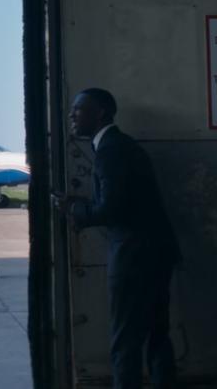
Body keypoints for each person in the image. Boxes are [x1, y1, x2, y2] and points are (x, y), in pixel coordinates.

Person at [55, 88, 182, 389]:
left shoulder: (110, 150)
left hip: (133, 255)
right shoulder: (120, 146)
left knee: (124, 339)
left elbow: (112, 209)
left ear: (100, 113)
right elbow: (123, 199)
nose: (72, 115)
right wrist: (84, 202)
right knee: (156, 335)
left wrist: (75, 210)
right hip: (155, 252)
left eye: (79, 109)